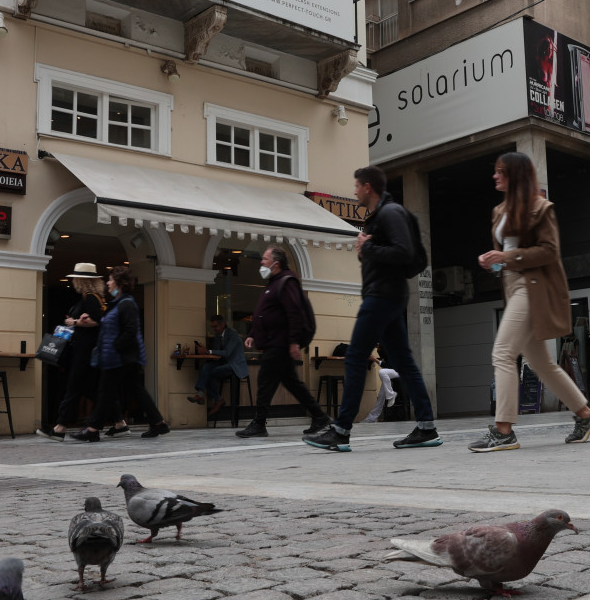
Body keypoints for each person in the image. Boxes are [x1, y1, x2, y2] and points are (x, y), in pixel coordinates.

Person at [467, 152, 590, 452]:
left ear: (515, 175)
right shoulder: (499, 211)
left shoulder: (541, 208)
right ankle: (586, 415)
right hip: (512, 284)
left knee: (503, 353)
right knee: (541, 363)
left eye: (501, 171)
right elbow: (507, 252)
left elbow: (549, 251)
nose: (495, 176)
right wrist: (493, 261)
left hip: (534, 287)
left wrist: (505, 256)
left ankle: (503, 431)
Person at [305, 165, 441, 452]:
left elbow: (403, 252)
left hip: (381, 296)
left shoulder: (389, 213)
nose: (354, 190)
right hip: (389, 295)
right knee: (403, 362)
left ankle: (340, 432)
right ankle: (426, 427)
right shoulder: (384, 214)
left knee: (355, 358)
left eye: (356, 185)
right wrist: (370, 250)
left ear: (368, 187)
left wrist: (367, 250)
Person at [240, 246, 331, 439]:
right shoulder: (273, 283)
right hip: (275, 342)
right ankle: (320, 416)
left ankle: (259, 423)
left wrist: (293, 342)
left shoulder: (287, 282)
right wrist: (253, 333)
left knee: (265, 382)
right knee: (292, 382)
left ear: (276, 264)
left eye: (265, 259)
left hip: (279, 343)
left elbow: (294, 313)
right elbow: (265, 313)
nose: (261, 262)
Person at [71, 267, 169, 442]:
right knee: (136, 390)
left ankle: (93, 429)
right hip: (120, 357)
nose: (108, 283)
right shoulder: (119, 303)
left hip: (119, 357)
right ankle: (158, 423)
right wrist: (90, 320)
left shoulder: (127, 303)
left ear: (119, 283)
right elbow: (111, 325)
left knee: (105, 392)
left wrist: (116, 346)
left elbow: (130, 330)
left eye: (110, 280)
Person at [39, 265, 107, 441]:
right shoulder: (89, 298)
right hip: (83, 348)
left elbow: (97, 321)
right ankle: (119, 421)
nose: (73, 281)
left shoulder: (91, 298)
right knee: (89, 388)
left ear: (81, 280)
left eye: (75, 278)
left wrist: (74, 322)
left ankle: (60, 427)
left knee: (74, 386)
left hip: (84, 350)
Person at [189, 314, 249, 418]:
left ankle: (217, 399)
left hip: (235, 365)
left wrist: (207, 351)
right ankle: (201, 394)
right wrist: (206, 351)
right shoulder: (218, 336)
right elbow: (217, 354)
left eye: (215, 326)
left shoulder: (233, 334)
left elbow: (227, 352)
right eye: (212, 327)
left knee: (208, 373)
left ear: (223, 324)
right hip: (223, 363)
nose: (214, 329)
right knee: (205, 367)